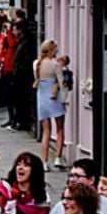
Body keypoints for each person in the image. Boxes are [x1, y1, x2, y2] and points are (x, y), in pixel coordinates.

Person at [35, 39, 66, 169]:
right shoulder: (55, 65)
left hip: (42, 97)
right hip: (54, 98)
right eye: (55, 50)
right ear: (51, 51)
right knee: (59, 129)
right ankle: (58, 158)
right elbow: (61, 83)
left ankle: (44, 162)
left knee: (46, 131)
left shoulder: (37, 64)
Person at [10, 19, 36, 133]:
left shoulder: (25, 43)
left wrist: (20, 69)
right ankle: (20, 120)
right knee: (19, 100)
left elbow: (25, 59)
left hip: (23, 77)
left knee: (23, 100)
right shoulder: (21, 42)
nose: (12, 31)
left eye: (15, 29)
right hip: (20, 76)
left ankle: (24, 121)